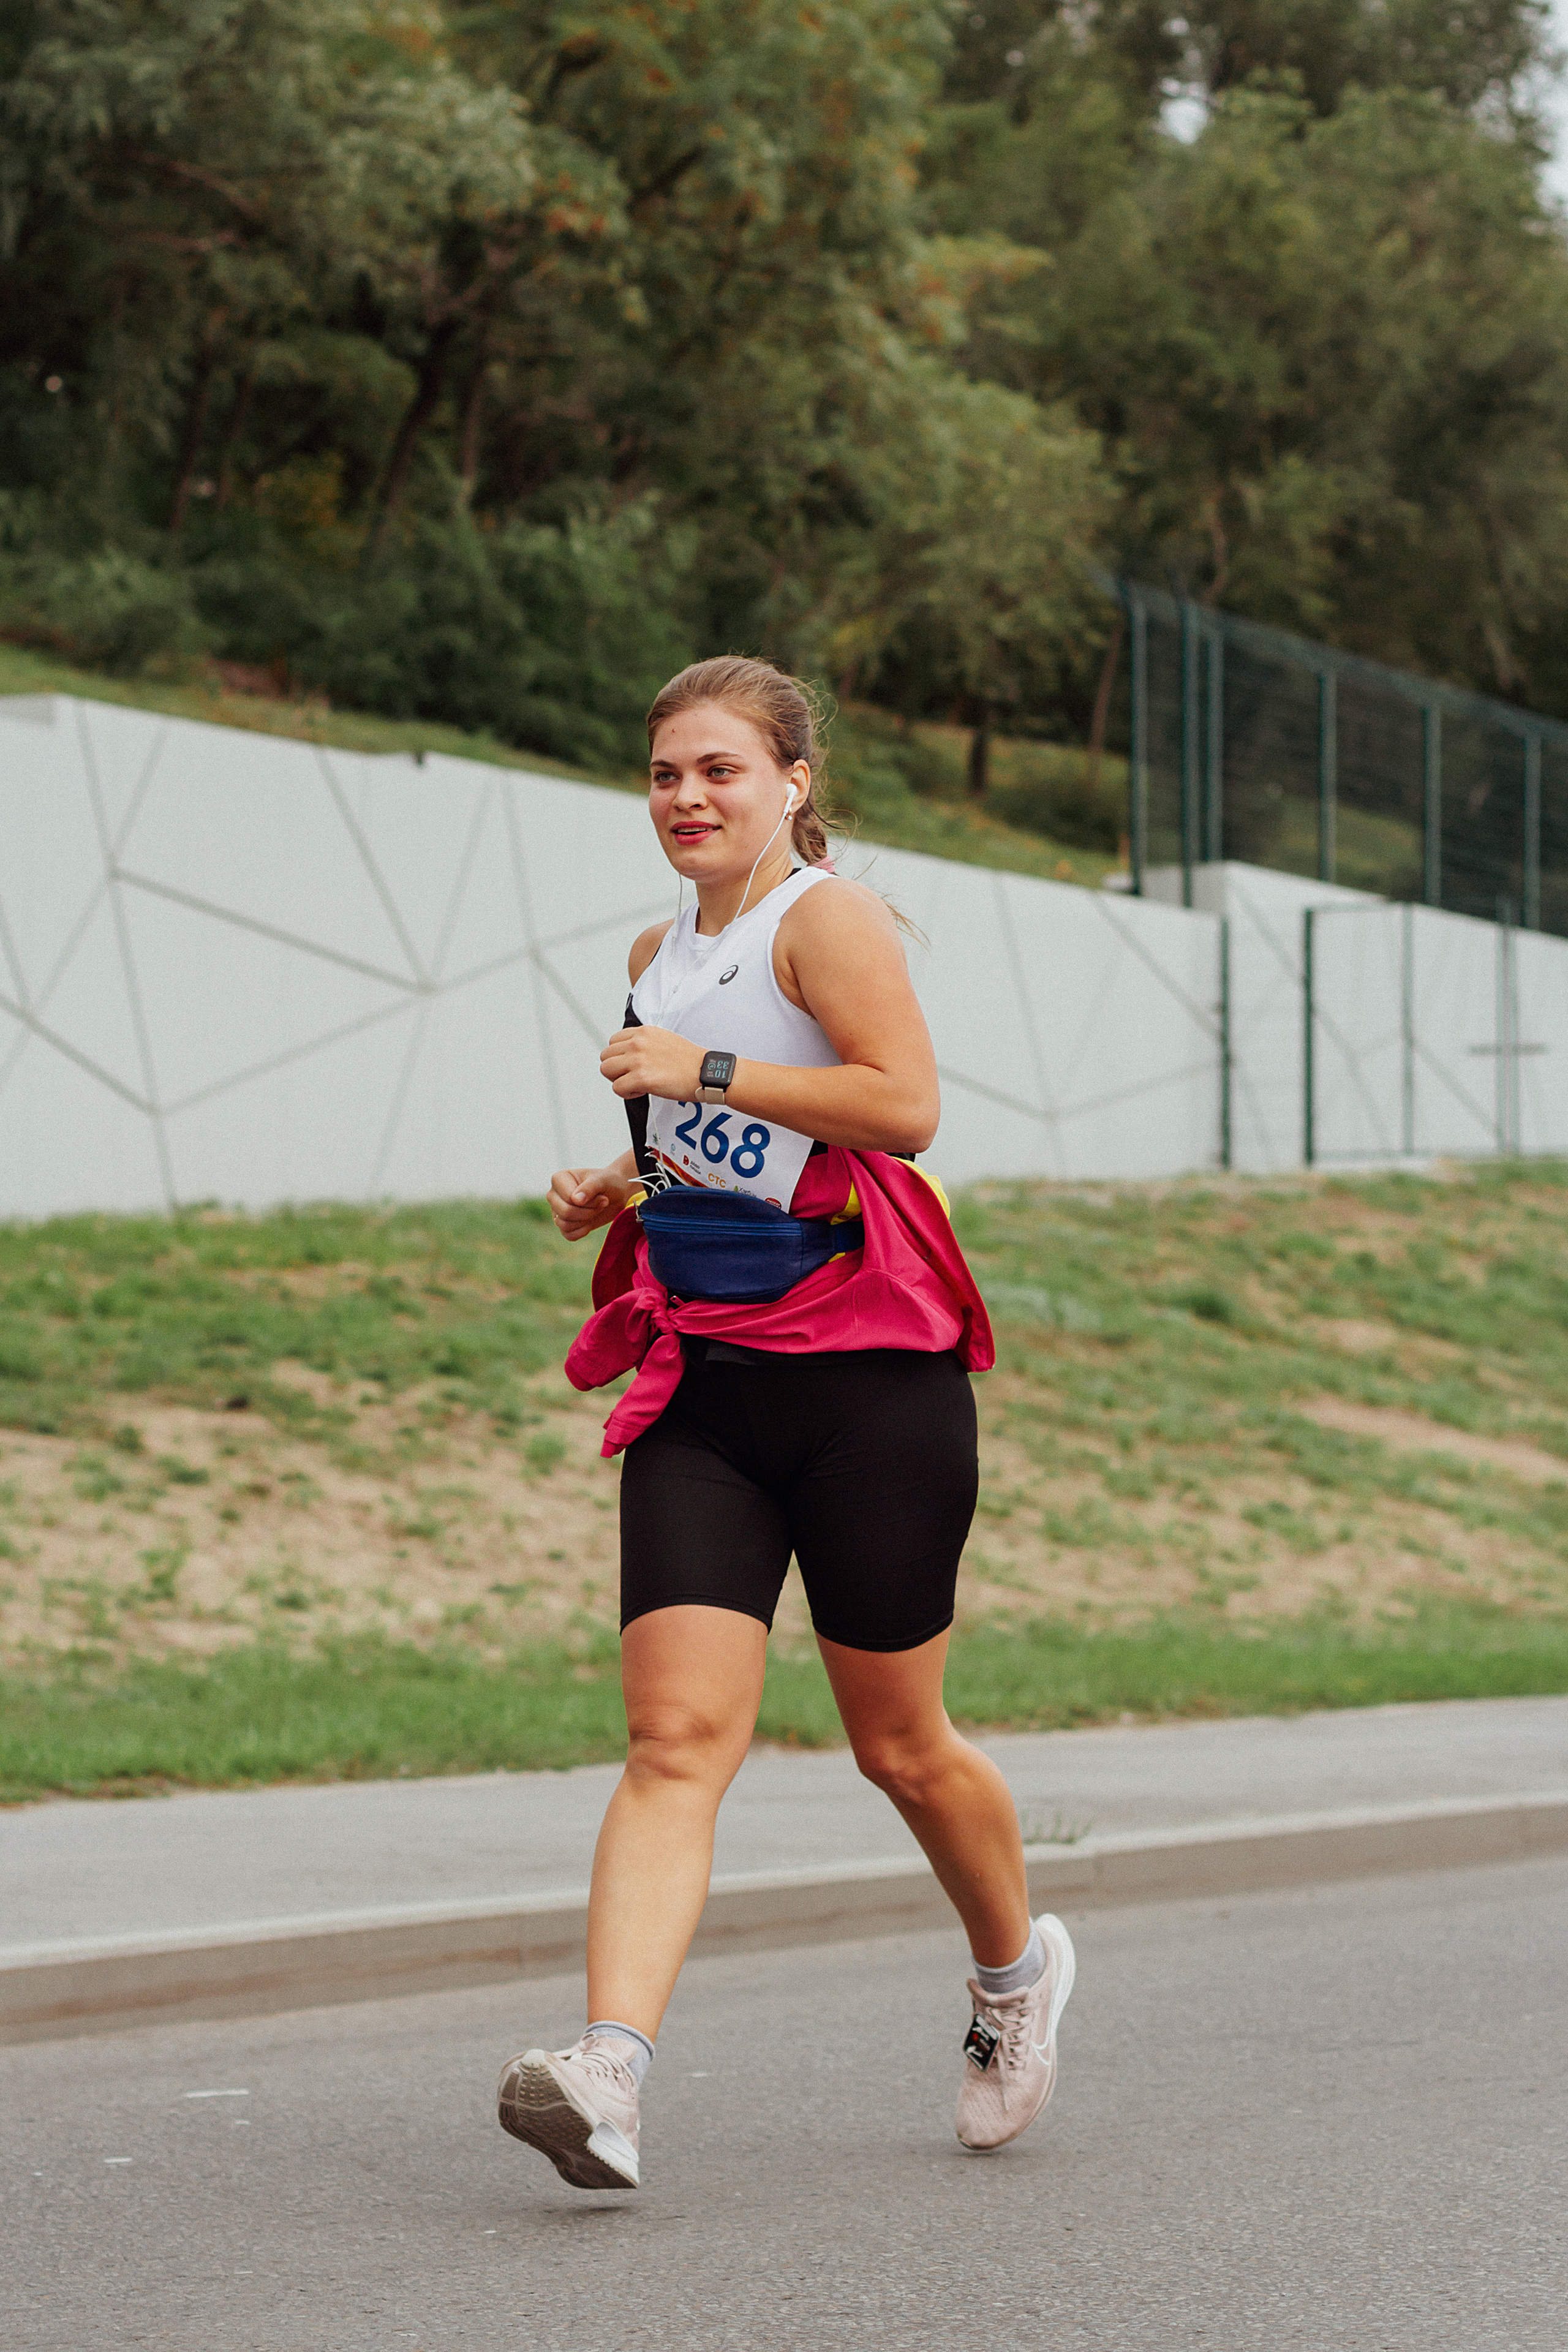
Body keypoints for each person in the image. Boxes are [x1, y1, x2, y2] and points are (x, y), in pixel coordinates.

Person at [496, 657, 1073, 2190]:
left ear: (792, 783)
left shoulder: (826, 920)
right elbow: (713, 1146)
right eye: (664, 773)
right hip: (707, 1387)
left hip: (869, 1385)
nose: (685, 797)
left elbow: (901, 1106)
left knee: (900, 1745)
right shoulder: (657, 949)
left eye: (719, 771)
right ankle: (607, 2072)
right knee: (673, 1740)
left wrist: (702, 1064)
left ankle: (1014, 1977)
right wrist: (619, 1178)